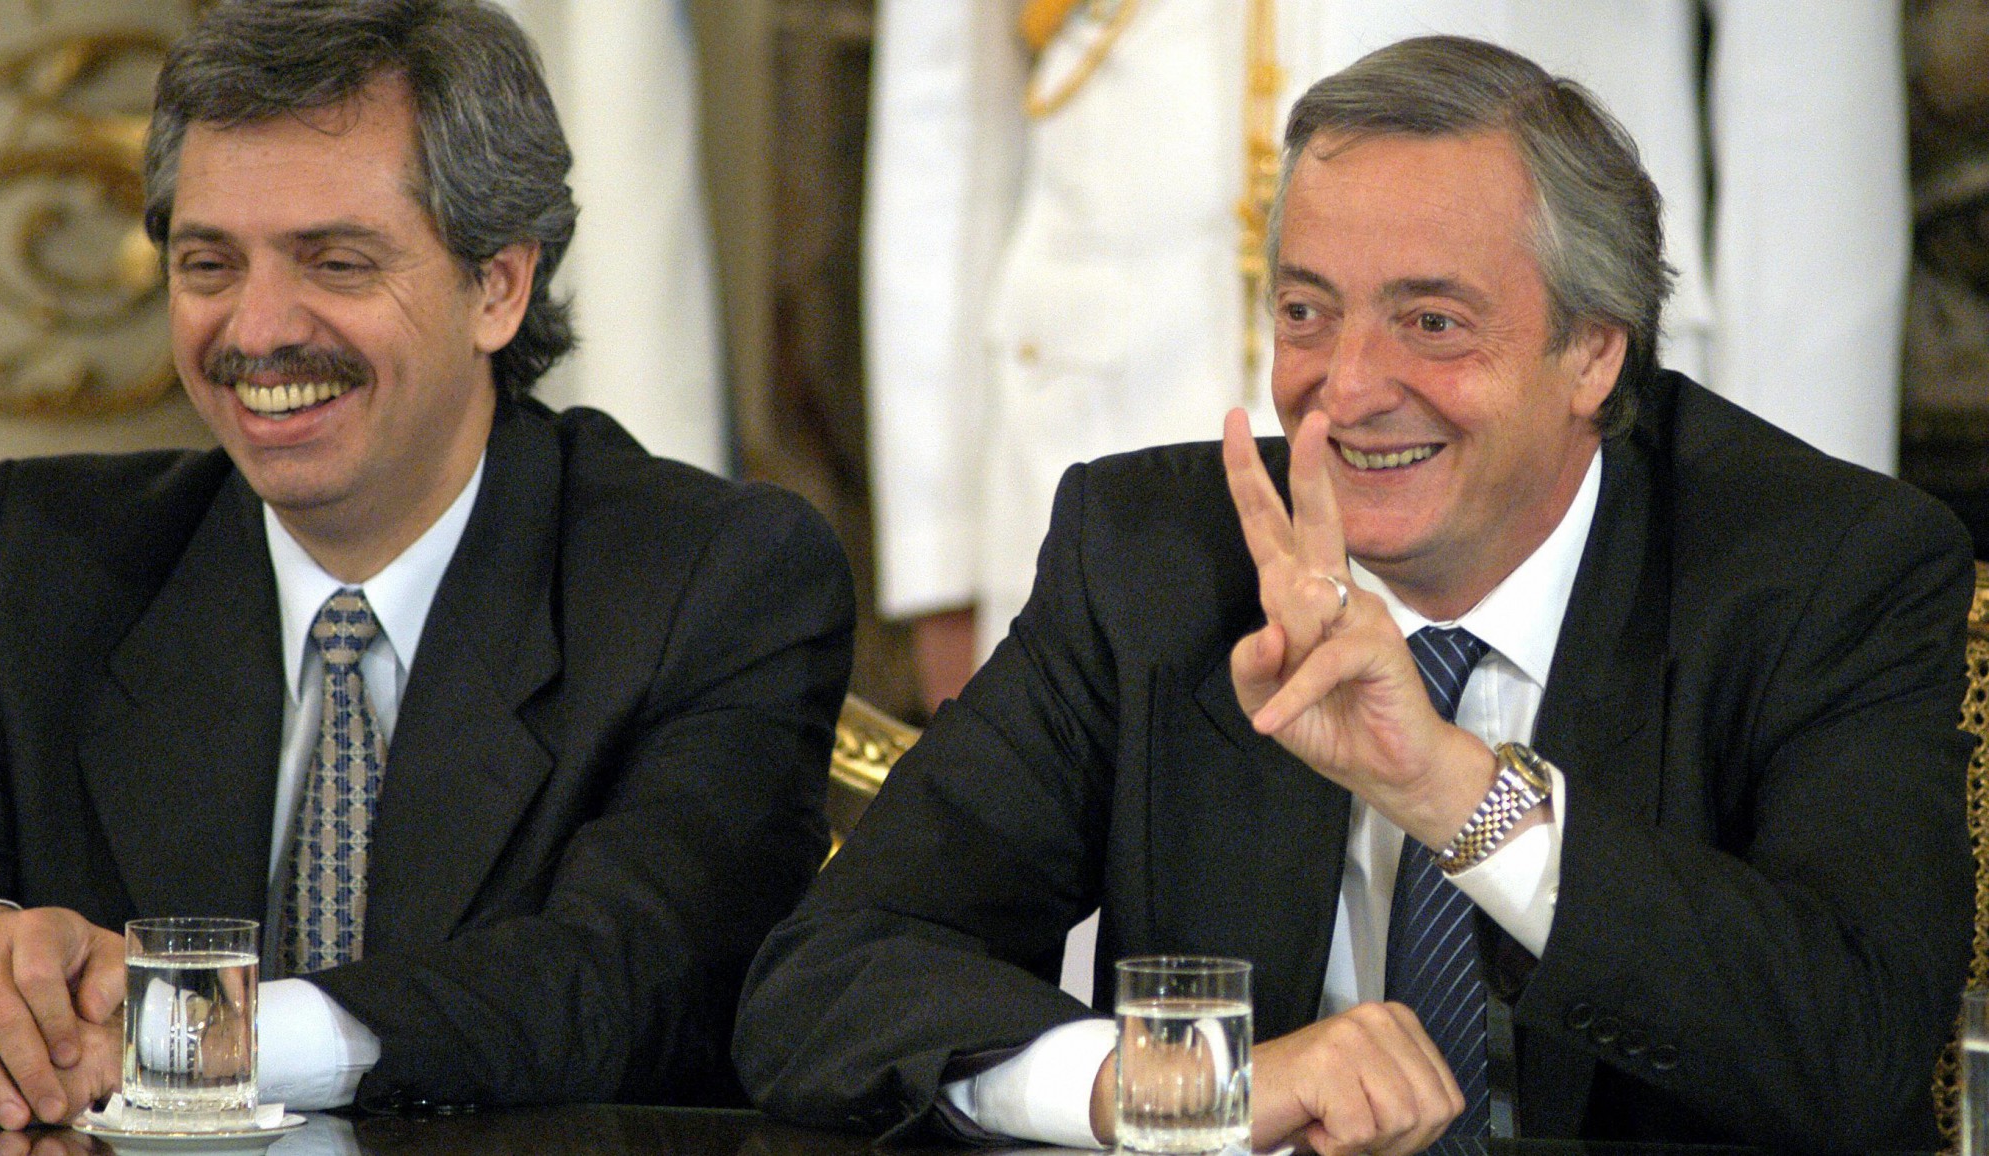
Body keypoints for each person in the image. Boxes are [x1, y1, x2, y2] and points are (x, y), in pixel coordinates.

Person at [736, 34, 1972, 1155]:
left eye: (1434, 323)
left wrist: (1447, 788)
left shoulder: (1821, 572)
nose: (1348, 387)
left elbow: (1850, 1051)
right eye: (1307, 312)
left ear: (1595, 351)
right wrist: (1194, 1083)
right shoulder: (1157, 558)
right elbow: (827, 981)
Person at [0, 0, 854, 1130]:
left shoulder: (710, 580)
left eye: (337, 261)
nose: (259, 329)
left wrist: (216, 1028)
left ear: (498, 287)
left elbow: (631, 983)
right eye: (209, 262)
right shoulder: (61, 556)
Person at [865, 0, 1912, 705]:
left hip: (1548, 438)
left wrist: (1800, 571)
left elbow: (1805, 81)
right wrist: (943, 549)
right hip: (1094, 408)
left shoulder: (1784, 590)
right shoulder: (1100, 553)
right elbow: (943, 91)